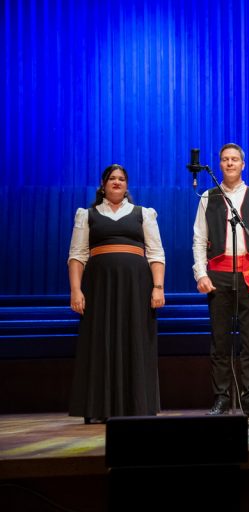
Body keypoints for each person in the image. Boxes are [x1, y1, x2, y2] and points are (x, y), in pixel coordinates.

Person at [68, 164, 166, 424]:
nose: (117, 182)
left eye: (122, 179)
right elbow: (77, 255)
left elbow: (156, 253)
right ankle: (100, 407)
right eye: (112, 178)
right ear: (103, 185)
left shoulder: (143, 214)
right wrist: (76, 290)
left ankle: (136, 405)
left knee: (135, 339)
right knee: (100, 342)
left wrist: (158, 287)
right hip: (99, 288)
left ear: (127, 185)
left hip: (136, 287)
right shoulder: (87, 215)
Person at [192, 143, 249, 417]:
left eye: (235, 159)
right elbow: (199, 239)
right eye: (225, 159)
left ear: (243, 164)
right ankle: (222, 397)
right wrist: (201, 273)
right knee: (220, 339)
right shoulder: (208, 196)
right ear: (220, 165)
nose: (230, 163)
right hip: (218, 273)